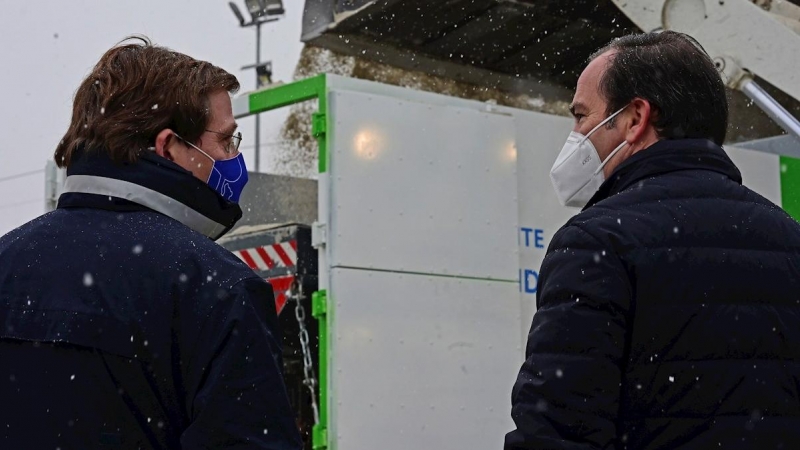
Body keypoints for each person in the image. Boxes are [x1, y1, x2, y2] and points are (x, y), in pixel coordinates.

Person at [0, 37, 302, 449]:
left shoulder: (7, 262)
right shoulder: (217, 286)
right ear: (168, 147)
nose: (233, 156)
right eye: (226, 140)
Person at [506, 30, 800, 449]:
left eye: (581, 115)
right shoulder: (789, 239)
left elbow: (559, 430)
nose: (576, 134)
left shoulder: (596, 242)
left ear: (634, 118)